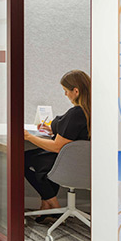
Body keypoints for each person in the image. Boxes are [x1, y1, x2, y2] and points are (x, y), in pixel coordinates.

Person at [23, 70, 91, 218]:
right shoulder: (92, 111)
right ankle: (46, 205)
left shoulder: (77, 113)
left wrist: (28, 136)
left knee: (22, 159)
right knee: (40, 162)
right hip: (84, 163)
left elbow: (57, 147)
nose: (65, 95)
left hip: (66, 162)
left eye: (66, 91)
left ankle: (53, 203)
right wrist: (54, 128)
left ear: (76, 91)